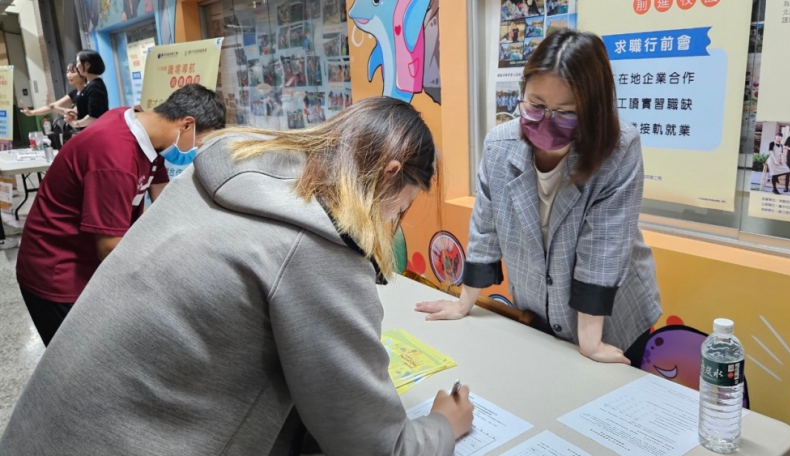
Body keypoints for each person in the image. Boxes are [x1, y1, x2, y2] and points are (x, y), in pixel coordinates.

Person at [0, 96, 474, 455]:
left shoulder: (224, 173)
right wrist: (441, 426)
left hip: (44, 434)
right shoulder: (316, 247)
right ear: (389, 175)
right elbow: (376, 446)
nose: (391, 225)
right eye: (401, 209)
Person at [416, 30, 662, 366]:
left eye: (565, 112)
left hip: (610, 318)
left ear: (593, 110)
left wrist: (590, 341)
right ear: (523, 93)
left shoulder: (618, 149)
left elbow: (603, 246)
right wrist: (464, 303)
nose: (547, 121)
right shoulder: (499, 146)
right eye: (537, 105)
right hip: (539, 307)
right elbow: (485, 229)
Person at [14, 84, 226, 347]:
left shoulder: (141, 128)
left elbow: (163, 198)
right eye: (199, 142)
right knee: (80, 367)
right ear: (186, 124)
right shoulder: (115, 158)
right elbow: (109, 247)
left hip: (88, 263)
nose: (196, 150)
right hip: (59, 272)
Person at [20, 63, 86, 118]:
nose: (69, 75)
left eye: (72, 72)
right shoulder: (74, 93)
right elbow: (51, 107)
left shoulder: (88, 92)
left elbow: (74, 114)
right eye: (67, 72)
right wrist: (32, 112)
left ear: (82, 73)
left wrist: (54, 107)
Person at [66, 49, 109, 129]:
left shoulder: (95, 86)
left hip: (96, 132)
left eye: (78, 62)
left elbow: (93, 117)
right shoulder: (89, 85)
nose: (77, 66)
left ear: (87, 65)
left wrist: (75, 123)